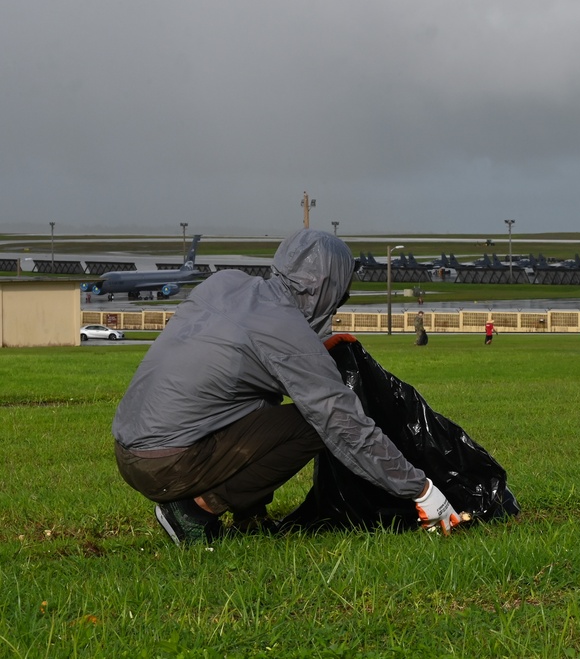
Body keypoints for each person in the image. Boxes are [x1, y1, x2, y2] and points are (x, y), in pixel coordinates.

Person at [112, 229, 462, 546]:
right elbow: (345, 426)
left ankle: (250, 516)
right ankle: (195, 511)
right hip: (164, 465)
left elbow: (249, 356)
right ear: (331, 286)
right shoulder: (286, 333)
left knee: (260, 400)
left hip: (129, 448)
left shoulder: (226, 284)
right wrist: (420, 489)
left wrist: (316, 348)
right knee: (317, 425)